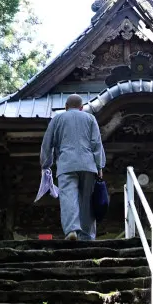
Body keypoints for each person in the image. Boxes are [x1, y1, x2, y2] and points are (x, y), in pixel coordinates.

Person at [40, 93, 106, 240]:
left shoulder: (57, 119)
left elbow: (47, 144)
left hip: (66, 164)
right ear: (82, 108)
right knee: (87, 201)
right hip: (88, 165)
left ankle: (71, 230)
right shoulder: (90, 118)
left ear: (66, 107)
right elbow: (96, 143)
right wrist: (99, 166)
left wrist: (46, 164)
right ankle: (87, 236)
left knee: (68, 197)